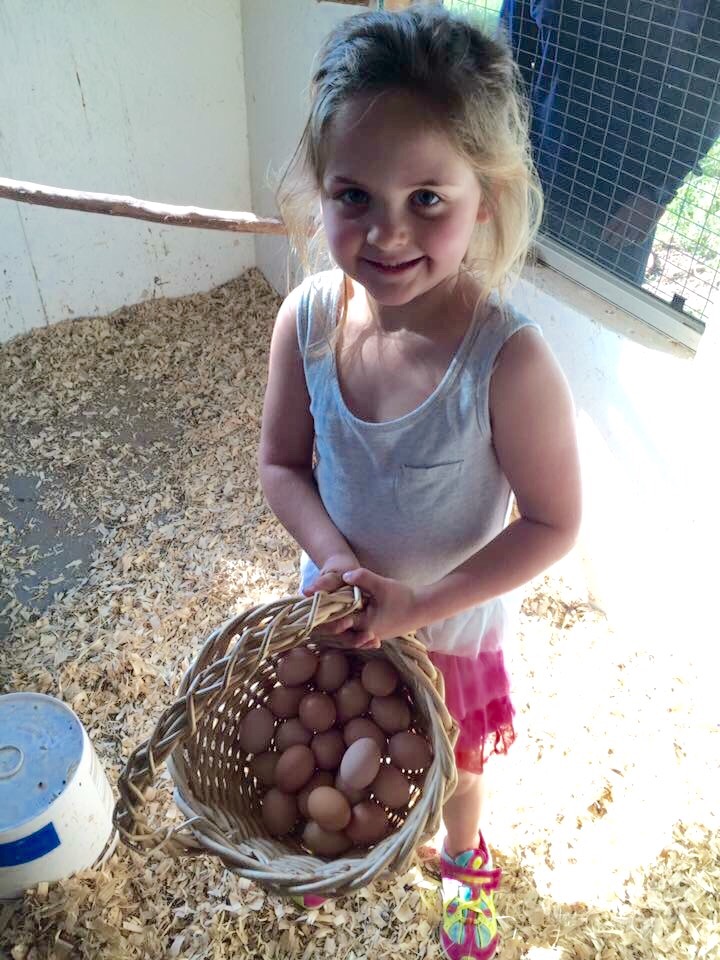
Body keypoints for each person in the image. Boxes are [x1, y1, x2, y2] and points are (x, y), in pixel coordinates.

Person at [259, 7, 581, 959]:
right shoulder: (307, 321)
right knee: (334, 748)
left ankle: (464, 860)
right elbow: (280, 463)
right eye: (353, 195)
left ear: (486, 199)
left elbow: (555, 522)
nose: (386, 233)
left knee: (457, 769)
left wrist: (421, 604)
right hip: (341, 613)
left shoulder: (507, 364)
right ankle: (340, 839)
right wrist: (333, 560)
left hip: (451, 628)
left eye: (428, 200)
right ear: (318, 192)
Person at [499, 0, 720, 286]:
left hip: (623, 198)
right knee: (517, 293)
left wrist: (657, 189)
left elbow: (711, 95)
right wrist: (509, 157)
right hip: (539, 171)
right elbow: (510, 55)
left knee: (599, 308)